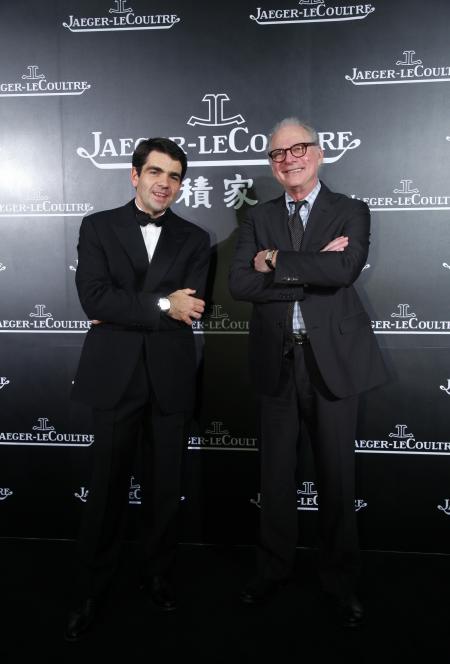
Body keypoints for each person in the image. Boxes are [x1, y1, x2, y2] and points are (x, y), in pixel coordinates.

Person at [229, 118, 387, 627]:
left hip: (334, 364)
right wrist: (309, 264)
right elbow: (240, 286)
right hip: (277, 361)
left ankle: (341, 583)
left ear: (318, 154)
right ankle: (272, 570)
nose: (288, 159)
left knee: (337, 478)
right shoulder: (257, 217)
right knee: (275, 478)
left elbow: (344, 271)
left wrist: (275, 261)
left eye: (298, 149)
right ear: (272, 165)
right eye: (278, 154)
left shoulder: (351, 211)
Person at [64, 137, 210, 641]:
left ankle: (157, 576)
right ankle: (92, 588)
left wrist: (140, 308)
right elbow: (93, 300)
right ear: (134, 175)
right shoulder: (98, 226)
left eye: (173, 176)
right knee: (105, 488)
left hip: (169, 376)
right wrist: (163, 305)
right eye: (155, 172)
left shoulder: (195, 237)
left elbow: (190, 308)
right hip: (113, 378)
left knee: (165, 488)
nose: (164, 183)